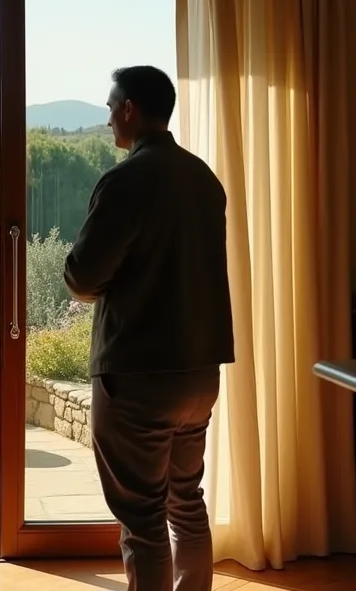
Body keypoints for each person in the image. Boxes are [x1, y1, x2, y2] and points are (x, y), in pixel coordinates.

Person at [63, 65, 234, 591]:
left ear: (130, 109)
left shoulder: (125, 181)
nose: (110, 117)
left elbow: (82, 275)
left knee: (142, 519)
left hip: (137, 374)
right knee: (187, 503)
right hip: (200, 372)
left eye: (112, 107)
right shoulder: (205, 179)